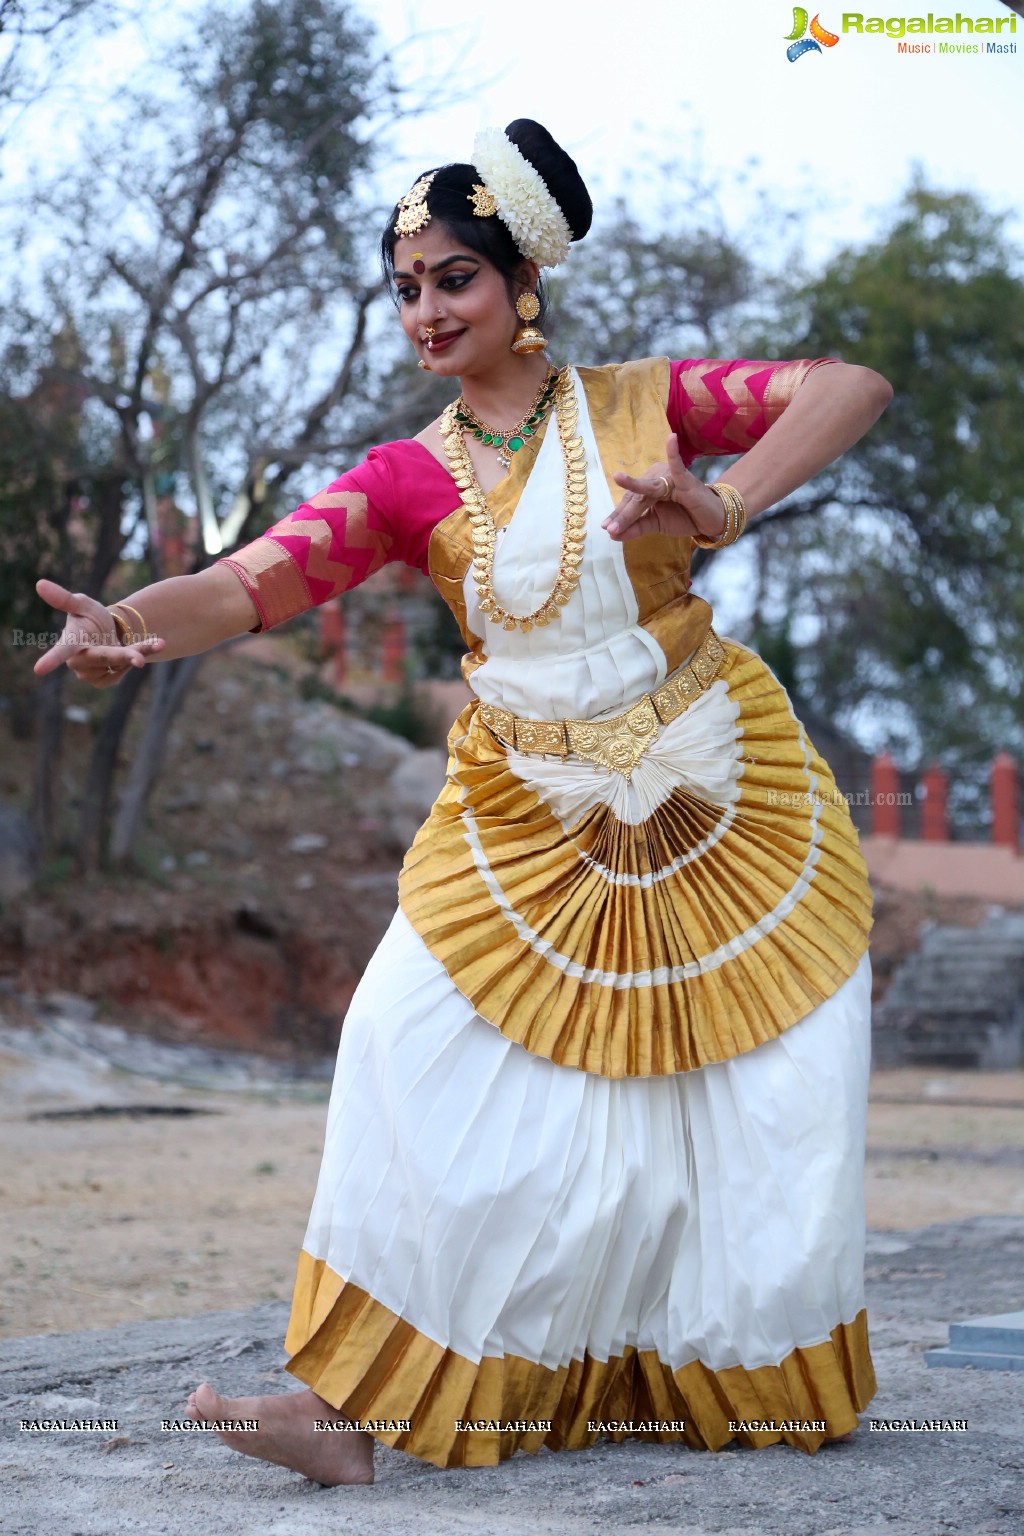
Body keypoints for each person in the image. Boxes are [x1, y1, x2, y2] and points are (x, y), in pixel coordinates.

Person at [35, 119, 892, 1487]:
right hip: (524, 816)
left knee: (736, 1090)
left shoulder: (646, 404)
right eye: (407, 286)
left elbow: (847, 385)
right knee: (395, 1042)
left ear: (522, 281)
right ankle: (342, 1407)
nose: (426, 311)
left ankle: (707, 1365)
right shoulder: (410, 475)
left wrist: (719, 505)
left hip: (715, 791)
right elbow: (263, 574)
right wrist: (134, 619)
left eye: (453, 279)